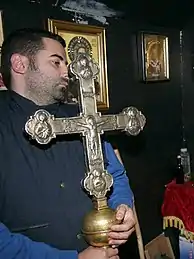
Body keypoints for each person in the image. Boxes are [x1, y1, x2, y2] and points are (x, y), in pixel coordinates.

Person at [0, 28, 136, 259]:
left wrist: (124, 208)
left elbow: (114, 173)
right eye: (56, 62)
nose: (68, 71)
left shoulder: (83, 118)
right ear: (20, 64)